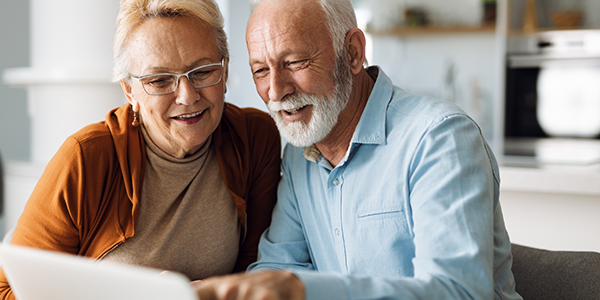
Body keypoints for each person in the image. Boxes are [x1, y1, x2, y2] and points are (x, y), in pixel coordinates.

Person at [192, 0, 523, 299]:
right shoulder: (300, 154)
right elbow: (277, 268)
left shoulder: (439, 138)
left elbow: (458, 292)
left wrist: (302, 289)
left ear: (352, 52)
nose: (275, 90)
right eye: (261, 70)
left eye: (294, 61)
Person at [0, 0, 281, 299]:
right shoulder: (85, 158)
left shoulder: (254, 137)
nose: (187, 96)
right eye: (160, 80)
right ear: (129, 91)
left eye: (201, 72)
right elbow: (8, 290)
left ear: (224, 71)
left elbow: (256, 267)